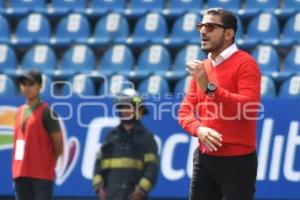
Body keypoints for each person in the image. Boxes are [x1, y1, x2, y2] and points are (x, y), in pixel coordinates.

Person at [178, 8, 261, 200]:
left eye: (210, 26)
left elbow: (249, 107)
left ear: (229, 33)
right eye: (201, 26)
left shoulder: (245, 64)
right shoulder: (203, 68)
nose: (202, 31)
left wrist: (210, 89)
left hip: (238, 161)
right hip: (204, 159)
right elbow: (185, 111)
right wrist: (199, 130)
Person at [93, 88, 159, 200]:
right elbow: (99, 164)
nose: (125, 110)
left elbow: (152, 169)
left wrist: (141, 191)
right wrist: (99, 188)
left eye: (129, 107)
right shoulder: (111, 136)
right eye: (122, 107)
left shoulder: (147, 138)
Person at [12, 70, 64, 200]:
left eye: (31, 84)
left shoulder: (47, 112)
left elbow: (58, 143)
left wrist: (49, 163)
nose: (27, 88)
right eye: (24, 84)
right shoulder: (18, 112)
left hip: (41, 175)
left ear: (40, 86)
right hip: (21, 173)